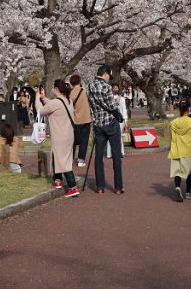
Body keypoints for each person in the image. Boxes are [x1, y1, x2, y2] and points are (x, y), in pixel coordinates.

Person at [36, 80, 80, 197]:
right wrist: (44, 98)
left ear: (56, 89)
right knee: (59, 157)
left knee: (63, 161)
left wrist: (37, 99)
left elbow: (40, 111)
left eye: (53, 88)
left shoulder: (56, 102)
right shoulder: (68, 100)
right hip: (69, 135)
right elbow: (53, 104)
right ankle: (58, 180)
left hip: (60, 136)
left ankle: (73, 187)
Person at [87, 65, 125, 194]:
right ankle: (118, 187)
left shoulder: (90, 86)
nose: (109, 78)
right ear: (105, 74)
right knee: (116, 155)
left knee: (98, 157)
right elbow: (111, 105)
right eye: (109, 76)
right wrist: (118, 110)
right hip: (111, 123)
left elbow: (91, 106)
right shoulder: (106, 87)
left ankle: (100, 187)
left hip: (98, 124)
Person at [168, 101, 191, 202]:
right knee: (189, 172)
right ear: (188, 109)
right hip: (189, 150)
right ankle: (187, 192)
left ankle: (178, 187)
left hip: (177, 150)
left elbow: (171, 137)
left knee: (177, 172)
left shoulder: (173, 123)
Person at [69, 75, 92, 168]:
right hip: (86, 119)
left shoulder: (69, 93)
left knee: (72, 141)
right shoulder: (84, 91)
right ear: (79, 81)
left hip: (74, 120)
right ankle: (81, 160)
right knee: (84, 140)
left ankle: (70, 159)